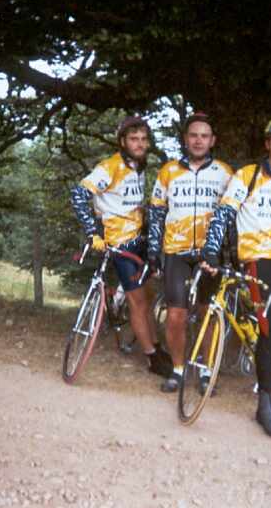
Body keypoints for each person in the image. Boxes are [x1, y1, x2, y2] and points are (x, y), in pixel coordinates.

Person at [201, 116, 271, 439]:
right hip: (257, 264)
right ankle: (264, 403)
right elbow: (224, 214)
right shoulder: (246, 176)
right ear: (267, 145)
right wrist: (210, 250)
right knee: (268, 329)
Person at [70, 116, 173, 377]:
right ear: (122, 141)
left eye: (143, 139)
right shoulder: (110, 167)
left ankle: (156, 346)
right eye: (133, 139)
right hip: (119, 243)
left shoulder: (138, 167)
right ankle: (151, 358)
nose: (139, 144)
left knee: (148, 297)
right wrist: (93, 233)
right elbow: (79, 194)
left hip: (139, 239)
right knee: (137, 301)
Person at [147, 112, 234, 393]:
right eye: (193, 135)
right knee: (176, 316)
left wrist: (231, 254)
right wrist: (153, 250)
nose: (198, 141)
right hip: (177, 252)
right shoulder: (168, 171)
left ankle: (207, 371)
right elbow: (157, 212)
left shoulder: (225, 173)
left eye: (204, 136)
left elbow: (233, 215)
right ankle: (178, 369)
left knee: (208, 314)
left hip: (211, 254)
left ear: (213, 140)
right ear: (185, 139)